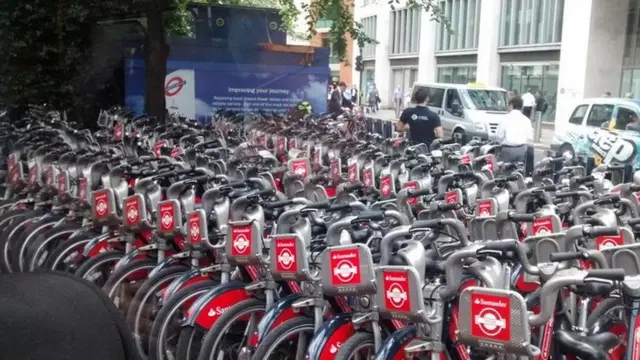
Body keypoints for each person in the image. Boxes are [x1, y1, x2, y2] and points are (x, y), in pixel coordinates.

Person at [496, 96, 533, 164]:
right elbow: (530, 137)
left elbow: (499, 136)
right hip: (522, 150)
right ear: (521, 107)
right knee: (519, 170)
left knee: (503, 171)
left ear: (511, 105)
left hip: (508, 150)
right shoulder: (526, 120)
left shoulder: (505, 118)